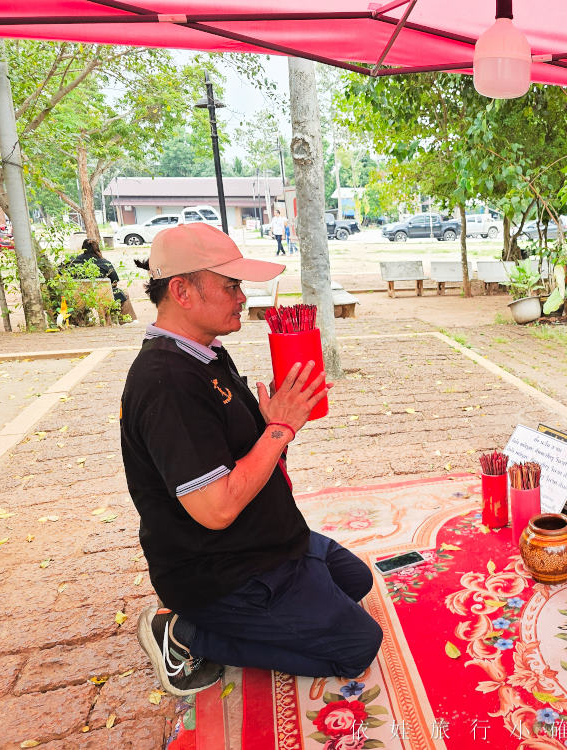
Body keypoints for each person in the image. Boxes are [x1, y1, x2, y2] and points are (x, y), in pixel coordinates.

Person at [122, 222, 382, 697]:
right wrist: (279, 430)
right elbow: (216, 509)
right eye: (231, 285)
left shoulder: (203, 354)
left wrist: (268, 429)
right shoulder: (166, 383)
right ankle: (186, 633)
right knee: (359, 644)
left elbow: (233, 452)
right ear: (181, 290)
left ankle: (289, 600)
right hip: (221, 569)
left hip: (265, 536)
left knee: (355, 579)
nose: (242, 297)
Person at [64, 238, 136, 319]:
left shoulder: (72, 262)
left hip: (79, 298)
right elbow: (115, 282)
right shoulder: (105, 263)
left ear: (83, 248)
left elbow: (61, 274)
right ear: (97, 248)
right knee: (123, 293)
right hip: (103, 298)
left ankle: (80, 320)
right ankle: (125, 320)